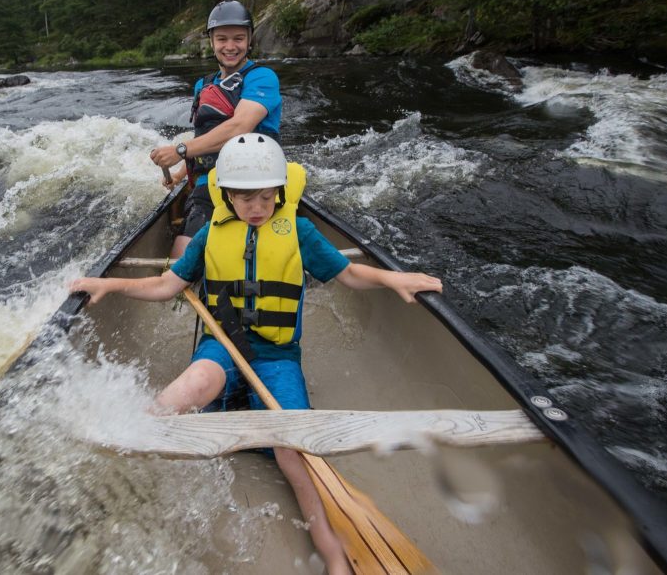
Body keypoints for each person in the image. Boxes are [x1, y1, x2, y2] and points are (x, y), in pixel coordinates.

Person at [73, 134, 443, 574]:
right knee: (189, 387)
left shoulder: (299, 232)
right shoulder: (210, 233)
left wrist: (394, 279)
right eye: (246, 198)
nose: (257, 207)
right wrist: (109, 284)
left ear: (279, 192)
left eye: (266, 197)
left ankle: (332, 553)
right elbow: (166, 285)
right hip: (222, 345)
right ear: (227, 195)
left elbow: (349, 275)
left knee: (293, 448)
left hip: (277, 356)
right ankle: (126, 473)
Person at [150, 0, 282, 257]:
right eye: (222, 39)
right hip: (210, 182)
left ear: (250, 40)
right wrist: (180, 175)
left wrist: (179, 150)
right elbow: (205, 136)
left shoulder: (263, 77)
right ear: (211, 41)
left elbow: (239, 127)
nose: (230, 46)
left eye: (238, 38)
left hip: (257, 180)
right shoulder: (203, 85)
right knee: (182, 250)